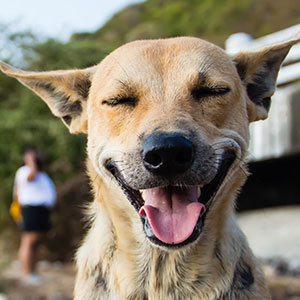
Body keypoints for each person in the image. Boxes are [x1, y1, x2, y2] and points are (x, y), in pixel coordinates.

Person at [13, 148, 56, 284]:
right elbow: (31, 176)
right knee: (29, 241)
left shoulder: (42, 174)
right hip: (31, 209)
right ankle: (27, 273)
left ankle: (33, 271)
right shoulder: (25, 171)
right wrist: (30, 161)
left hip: (41, 211)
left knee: (36, 242)